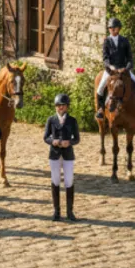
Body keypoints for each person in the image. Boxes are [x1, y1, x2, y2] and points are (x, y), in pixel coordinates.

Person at [97, 17, 135, 120]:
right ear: (109, 29)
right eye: (111, 28)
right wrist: (110, 66)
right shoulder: (107, 41)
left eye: (115, 28)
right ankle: (101, 109)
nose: (112, 29)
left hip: (124, 70)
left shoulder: (124, 40)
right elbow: (105, 58)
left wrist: (126, 68)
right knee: (100, 88)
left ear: (119, 29)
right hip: (111, 71)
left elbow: (130, 58)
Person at [44, 93, 80, 221]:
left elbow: (77, 138)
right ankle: (56, 211)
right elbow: (45, 137)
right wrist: (53, 141)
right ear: (56, 107)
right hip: (54, 153)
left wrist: (69, 142)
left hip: (68, 154)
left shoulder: (72, 121)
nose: (60, 108)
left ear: (67, 107)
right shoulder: (51, 120)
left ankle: (70, 211)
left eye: (63, 106)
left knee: (69, 181)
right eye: (58, 106)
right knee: (55, 180)